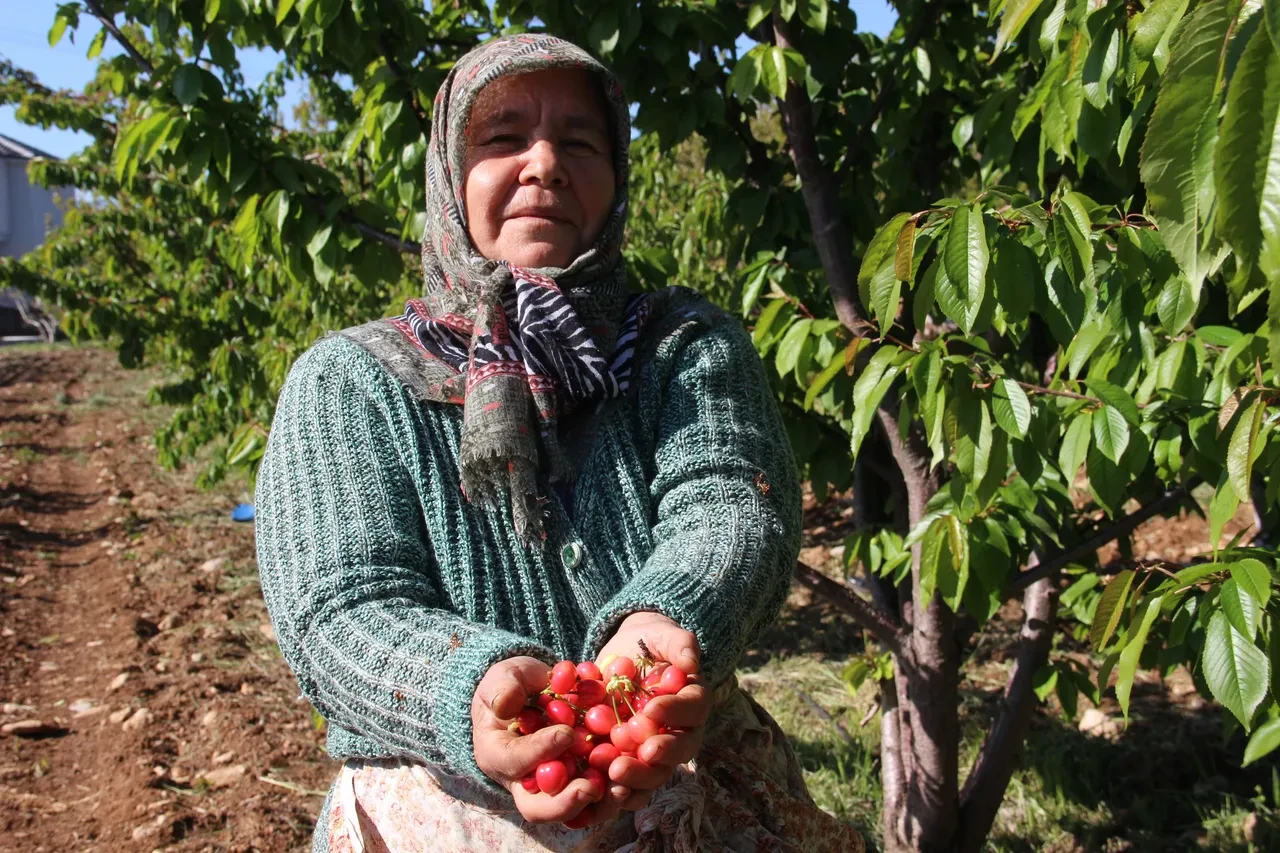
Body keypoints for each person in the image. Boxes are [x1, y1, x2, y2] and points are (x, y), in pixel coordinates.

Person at [254, 33, 865, 853]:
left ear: (615, 180)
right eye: (503, 138)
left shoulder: (687, 347)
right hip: (445, 813)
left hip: (686, 782)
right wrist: (468, 690)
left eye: (579, 141)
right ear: (448, 175)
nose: (544, 164)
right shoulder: (351, 382)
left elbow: (729, 504)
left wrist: (667, 623)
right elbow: (340, 607)